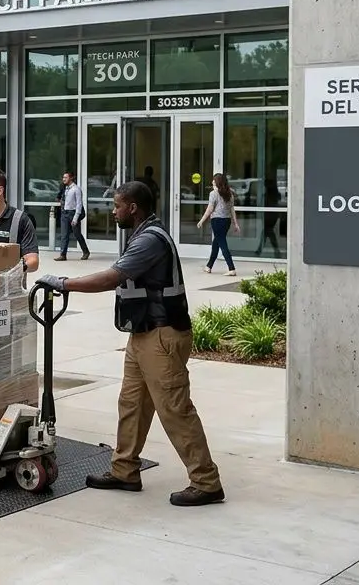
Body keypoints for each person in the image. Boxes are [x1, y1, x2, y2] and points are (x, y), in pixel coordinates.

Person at [35, 180, 225, 507]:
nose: (113, 211)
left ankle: (206, 481)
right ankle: (125, 470)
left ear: (133, 208)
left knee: (175, 410)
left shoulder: (149, 240)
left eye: (117, 205)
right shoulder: (143, 234)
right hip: (143, 336)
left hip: (162, 337)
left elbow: (111, 277)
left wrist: (63, 283)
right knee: (132, 404)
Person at [197, 173, 241, 276]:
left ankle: (231, 268)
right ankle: (209, 266)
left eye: (213, 180)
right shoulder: (230, 193)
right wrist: (235, 223)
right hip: (226, 222)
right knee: (216, 243)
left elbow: (210, 209)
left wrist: (202, 220)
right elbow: (232, 209)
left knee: (222, 244)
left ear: (217, 182)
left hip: (217, 221)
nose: (212, 181)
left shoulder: (213, 194)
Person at [55, 171, 89, 262]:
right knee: (64, 235)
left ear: (71, 178)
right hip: (64, 213)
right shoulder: (65, 189)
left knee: (77, 234)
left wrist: (75, 218)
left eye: (65, 177)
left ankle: (86, 251)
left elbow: (79, 204)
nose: (63, 179)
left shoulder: (76, 189)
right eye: (63, 177)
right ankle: (63, 254)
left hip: (73, 213)